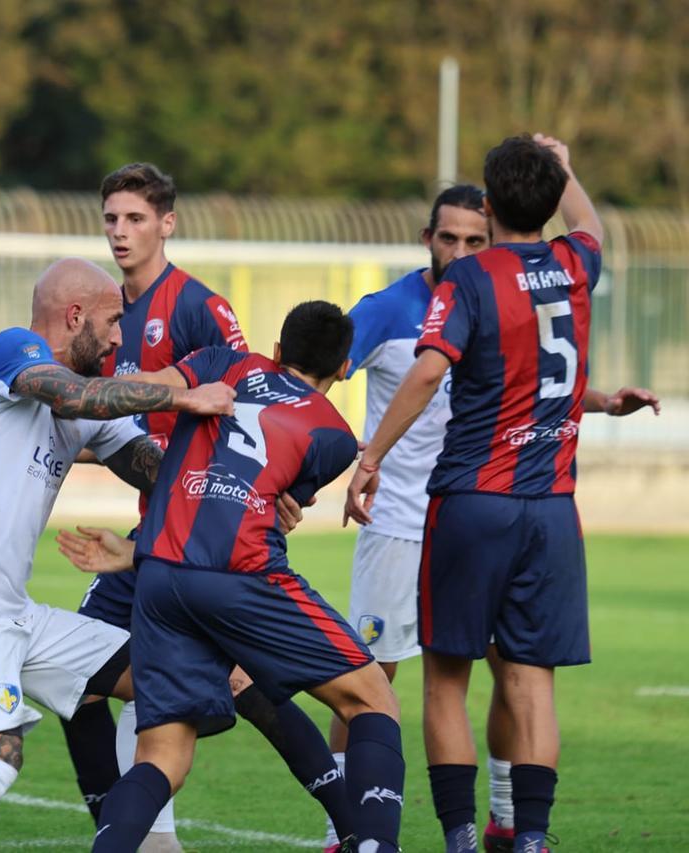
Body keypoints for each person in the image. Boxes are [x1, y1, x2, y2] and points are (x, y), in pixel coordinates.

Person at [344, 135, 657, 853]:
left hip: (473, 499)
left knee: (445, 680)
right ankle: (532, 838)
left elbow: (429, 370)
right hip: (552, 507)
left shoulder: (471, 277)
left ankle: (459, 835)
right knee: (531, 682)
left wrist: (371, 456)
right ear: (549, 201)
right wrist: (564, 166)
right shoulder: (576, 263)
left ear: (487, 207)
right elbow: (591, 224)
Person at [0, 257, 235, 851]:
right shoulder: (12, 351)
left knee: (167, 677)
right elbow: (76, 397)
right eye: (111, 321)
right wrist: (184, 397)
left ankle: (150, 841)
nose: (118, 338)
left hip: (13, 616)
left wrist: (251, 494)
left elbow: (163, 475)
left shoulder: (88, 413)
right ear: (74, 315)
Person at [64, 163, 352, 851]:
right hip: (153, 534)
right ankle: (131, 833)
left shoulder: (198, 307)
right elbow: (101, 420)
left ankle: (354, 826)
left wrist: (269, 491)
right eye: (111, 218)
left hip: (205, 535)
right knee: (82, 680)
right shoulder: (103, 313)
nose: (120, 232)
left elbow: (252, 408)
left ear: (167, 223)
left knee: (243, 684)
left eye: (135, 218)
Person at [83, 301, 405, 853]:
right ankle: (376, 844)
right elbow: (280, 504)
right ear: (344, 368)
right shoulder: (334, 436)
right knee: (373, 700)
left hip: (158, 573)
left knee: (162, 757)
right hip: (241, 574)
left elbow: (148, 390)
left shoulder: (221, 362)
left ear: (276, 350)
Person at [321, 185, 488, 850]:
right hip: (393, 524)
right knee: (367, 677)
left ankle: (502, 823)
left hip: (473, 521)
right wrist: (315, 462)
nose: (461, 251)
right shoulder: (386, 310)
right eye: (449, 238)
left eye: (476, 240)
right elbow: (310, 381)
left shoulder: (498, 306)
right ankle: (340, 828)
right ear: (427, 239)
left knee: (502, 671)